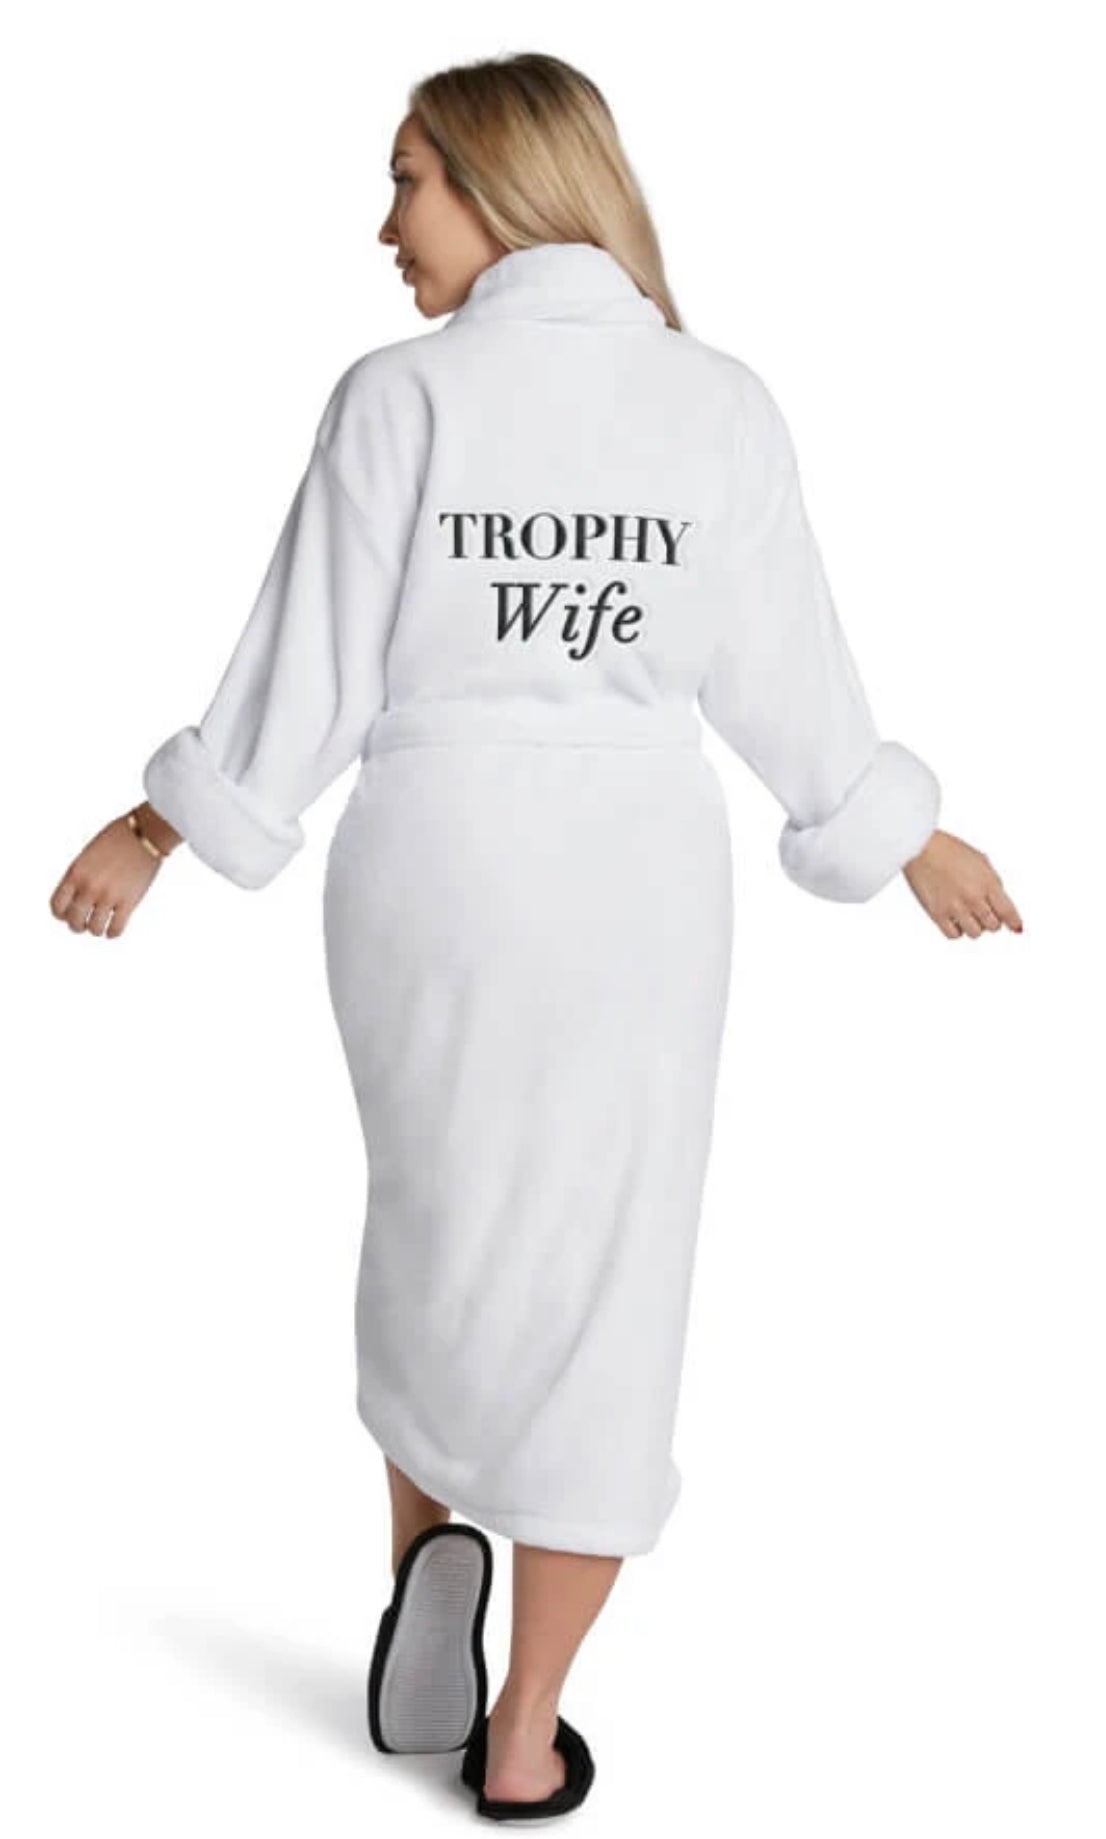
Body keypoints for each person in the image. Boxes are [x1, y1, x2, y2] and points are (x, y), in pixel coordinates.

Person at [47, 51, 1023, 1816]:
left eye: (407, 178)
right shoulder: (714, 402)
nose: (384, 223)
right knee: (612, 1260)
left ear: (502, 180)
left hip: (434, 856)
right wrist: (902, 835)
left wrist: (155, 832)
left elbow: (305, 666)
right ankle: (523, 1728)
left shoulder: (399, 397)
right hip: (634, 870)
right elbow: (785, 668)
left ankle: (428, 1541)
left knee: (438, 1213)